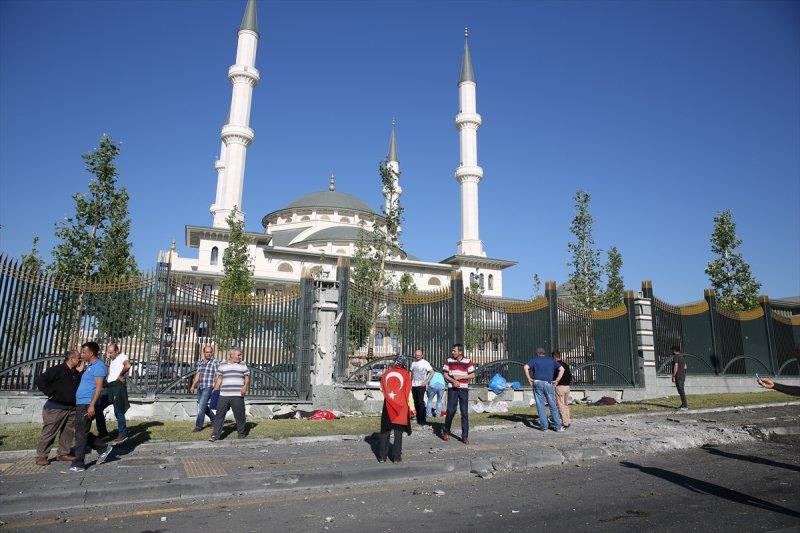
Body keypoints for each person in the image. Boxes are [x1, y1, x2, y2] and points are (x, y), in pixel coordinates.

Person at [67, 342, 113, 472]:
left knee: (80, 434)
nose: (81, 355)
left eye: (84, 352)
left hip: (88, 403)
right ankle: (103, 447)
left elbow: (99, 387)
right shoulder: (89, 367)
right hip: (81, 402)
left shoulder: (99, 366)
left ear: (91, 353)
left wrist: (92, 405)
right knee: (81, 431)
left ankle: (78, 463)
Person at [33, 350, 82, 466]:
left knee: (67, 432)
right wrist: (51, 393)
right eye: (78, 358)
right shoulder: (57, 369)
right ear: (71, 359)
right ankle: (41, 456)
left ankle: (63, 453)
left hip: (71, 408)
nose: (80, 360)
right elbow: (39, 380)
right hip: (55, 407)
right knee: (49, 432)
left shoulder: (76, 372)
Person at [377, 355, 414, 463]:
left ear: (395, 362)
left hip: (388, 405)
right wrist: (412, 408)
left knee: (385, 431)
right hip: (401, 407)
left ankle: (382, 457)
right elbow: (408, 392)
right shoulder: (406, 374)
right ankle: (396, 458)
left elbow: (381, 388)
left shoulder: (386, 373)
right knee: (398, 433)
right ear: (404, 364)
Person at [210, 348, 250, 442]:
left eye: (240, 355)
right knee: (219, 415)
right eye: (238, 355)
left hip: (237, 394)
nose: (240, 357)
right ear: (231, 355)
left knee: (239, 415)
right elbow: (219, 378)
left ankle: (241, 433)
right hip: (224, 395)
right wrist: (215, 389)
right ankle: (215, 435)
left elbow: (247, 377)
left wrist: (245, 386)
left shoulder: (243, 365)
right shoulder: (222, 365)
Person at [95, 343, 131, 443]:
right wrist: (107, 363)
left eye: (111, 353)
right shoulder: (112, 359)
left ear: (117, 351)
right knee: (98, 407)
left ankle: (123, 434)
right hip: (109, 386)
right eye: (108, 353)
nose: (109, 354)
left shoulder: (122, 356)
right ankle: (103, 434)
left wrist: (121, 374)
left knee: (118, 411)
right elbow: (110, 372)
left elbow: (128, 365)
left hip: (117, 386)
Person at [524, 347, 564, 432]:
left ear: (537, 353)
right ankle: (558, 426)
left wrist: (529, 378)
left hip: (537, 382)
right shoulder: (551, 360)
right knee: (552, 405)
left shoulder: (534, 360)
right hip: (548, 383)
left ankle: (544, 426)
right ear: (544, 353)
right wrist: (557, 380)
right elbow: (562, 369)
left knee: (540, 405)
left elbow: (525, 367)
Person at [441, 343, 475, 444]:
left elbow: (473, 375)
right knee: (451, 411)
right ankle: (446, 431)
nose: (452, 352)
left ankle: (465, 436)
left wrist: (461, 377)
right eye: (452, 350)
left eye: (454, 351)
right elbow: (445, 374)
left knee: (464, 412)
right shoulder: (449, 361)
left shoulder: (467, 361)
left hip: (463, 389)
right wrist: (453, 381)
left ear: (460, 352)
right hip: (452, 389)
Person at [189, 345, 219, 432]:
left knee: (201, 406)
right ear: (204, 353)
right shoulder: (201, 362)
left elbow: (218, 375)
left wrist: (215, 387)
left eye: (210, 352)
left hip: (209, 387)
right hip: (200, 387)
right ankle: (215, 420)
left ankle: (198, 426)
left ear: (212, 353)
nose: (209, 354)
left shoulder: (215, 362)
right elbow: (198, 374)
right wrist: (193, 385)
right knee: (204, 406)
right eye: (207, 352)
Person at [409, 348, 433, 425]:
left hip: (421, 385)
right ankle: (418, 418)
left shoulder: (425, 363)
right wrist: (410, 382)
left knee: (420, 402)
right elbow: (411, 372)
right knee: (415, 401)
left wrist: (426, 381)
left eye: (419, 355)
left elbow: (432, 372)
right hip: (414, 385)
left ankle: (422, 419)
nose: (417, 356)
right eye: (416, 355)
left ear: (422, 355)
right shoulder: (413, 363)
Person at [552, 351, 572, 429]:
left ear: (554, 357)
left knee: (561, 405)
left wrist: (554, 381)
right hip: (567, 387)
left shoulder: (556, 365)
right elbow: (570, 376)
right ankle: (568, 421)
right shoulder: (566, 365)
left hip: (560, 387)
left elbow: (553, 376)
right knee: (566, 405)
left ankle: (565, 423)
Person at [671, 345, 688, 410]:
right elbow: (685, 367)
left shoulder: (676, 357)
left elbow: (676, 366)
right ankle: (683, 404)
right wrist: (683, 373)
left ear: (674, 350)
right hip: (682, 375)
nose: (672, 351)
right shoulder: (682, 356)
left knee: (681, 390)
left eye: (672, 350)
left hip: (678, 375)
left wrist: (673, 376)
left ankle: (685, 406)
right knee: (680, 390)